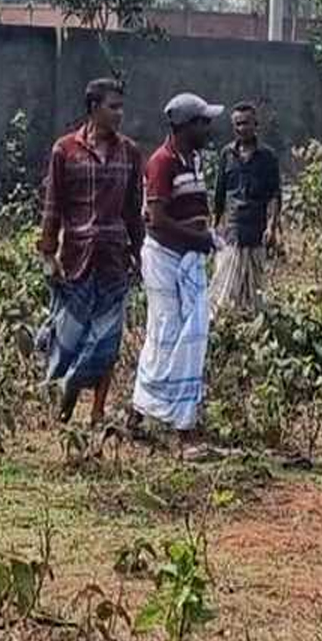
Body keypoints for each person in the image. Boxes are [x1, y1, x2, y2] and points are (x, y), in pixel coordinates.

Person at [35, 78, 146, 427]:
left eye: (121, 107)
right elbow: (53, 206)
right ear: (93, 108)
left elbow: (133, 209)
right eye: (113, 107)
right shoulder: (64, 151)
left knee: (108, 340)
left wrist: (139, 253)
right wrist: (48, 253)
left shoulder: (129, 152)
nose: (119, 114)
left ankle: (97, 411)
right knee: (69, 338)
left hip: (114, 257)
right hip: (76, 258)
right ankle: (66, 398)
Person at [130, 92, 224, 440]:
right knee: (166, 335)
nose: (209, 127)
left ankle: (170, 417)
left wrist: (204, 237)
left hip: (187, 258)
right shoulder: (162, 162)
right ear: (186, 126)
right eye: (203, 122)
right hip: (166, 259)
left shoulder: (193, 159)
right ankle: (153, 417)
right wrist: (198, 238)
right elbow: (156, 220)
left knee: (191, 337)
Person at [210, 102, 283, 314]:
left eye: (246, 123)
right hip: (232, 231)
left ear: (256, 125)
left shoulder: (267, 157)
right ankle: (225, 328)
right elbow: (219, 193)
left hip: (256, 231)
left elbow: (275, 194)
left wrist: (272, 226)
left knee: (256, 291)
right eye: (238, 124)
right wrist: (215, 226)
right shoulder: (227, 155)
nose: (242, 128)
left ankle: (255, 327)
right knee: (224, 289)